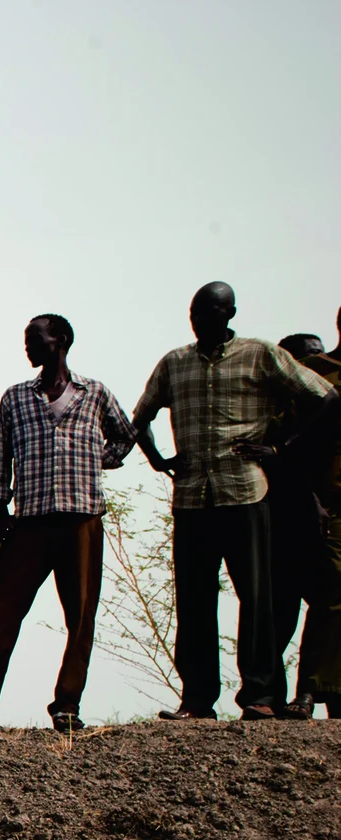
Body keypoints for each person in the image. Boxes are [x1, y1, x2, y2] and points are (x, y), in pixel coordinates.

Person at [130, 282, 337, 721]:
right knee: (195, 601)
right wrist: (159, 460)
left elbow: (326, 397)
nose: (199, 319)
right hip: (191, 498)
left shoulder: (260, 354)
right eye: (194, 311)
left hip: (245, 491)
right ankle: (197, 700)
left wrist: (284, 449)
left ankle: (261, 696)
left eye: (209, 312)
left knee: (257, 599)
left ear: (229, 313)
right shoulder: (175, 362)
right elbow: (141, 416)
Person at [0, 315, 135, 732]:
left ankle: (67, 705)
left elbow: (125, 436)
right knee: (0, 610)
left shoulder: (94, 393)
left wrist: (96, 462)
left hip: (82, 518)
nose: (28, 348)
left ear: (59, 342)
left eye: (34, 341)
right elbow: (0, 461)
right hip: (30, 521)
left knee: (80, 616)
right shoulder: (16, 397)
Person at [284, 318, 341, 717]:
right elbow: (291, 440)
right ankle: (308, 691)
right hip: (327, 500)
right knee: (331, 592)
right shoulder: (316, 374)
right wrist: (310, 497)